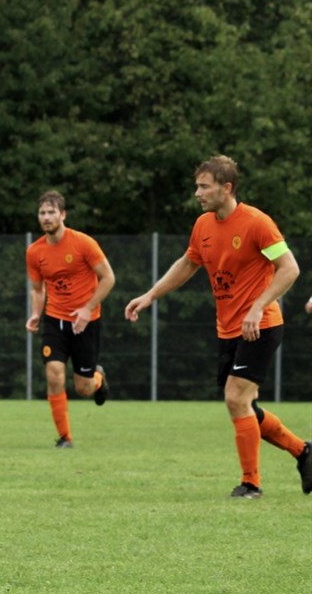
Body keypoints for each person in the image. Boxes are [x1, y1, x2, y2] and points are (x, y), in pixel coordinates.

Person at [125, 155, 311, 499]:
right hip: (227, 329)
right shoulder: (203, 225)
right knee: (245, 406)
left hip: (260, 325)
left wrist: (258, 307)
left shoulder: (257, 222)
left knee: (235, 398)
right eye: (197, 186)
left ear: (226, 188)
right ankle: (303, 451)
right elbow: (187, 263)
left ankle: (251, 484)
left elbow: (290, 268)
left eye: (204, 187)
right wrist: (150, 295)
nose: (197, 193)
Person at [25, 190, 115, 448]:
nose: (46, 217)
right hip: (55, 320)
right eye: (42, 213)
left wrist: (87, 309)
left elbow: (109, 278)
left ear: (62, 215)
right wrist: (35, 313)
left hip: (86, 322)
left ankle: (98, 379)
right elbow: (37, 289)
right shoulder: (34, 252)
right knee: (54, 374)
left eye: (51, 212)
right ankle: (65, 438)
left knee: (83, 389)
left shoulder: (83, 243)